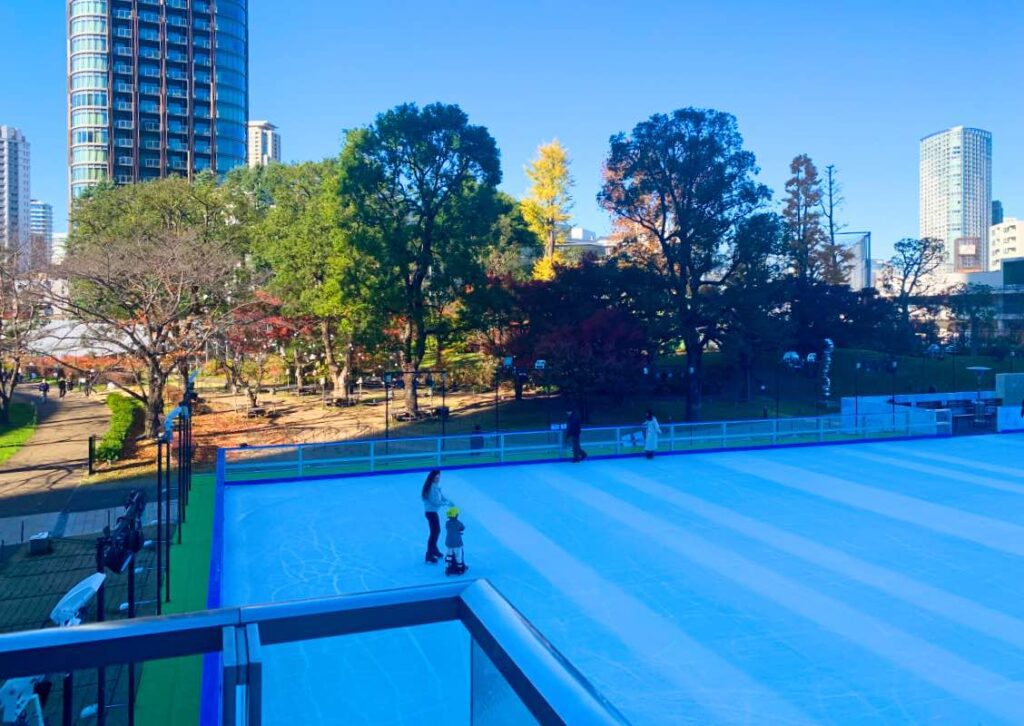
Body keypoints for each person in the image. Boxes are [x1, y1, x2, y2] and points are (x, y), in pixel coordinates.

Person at [421, 469, 452, 563]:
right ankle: (429, 554)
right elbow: (435, 502)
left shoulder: (435, 486)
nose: (438, 479)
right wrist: (445, 504)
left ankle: (434, 550)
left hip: (433, 512)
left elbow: (441, 497)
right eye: (436, 477)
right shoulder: (431, 488)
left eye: (439, 477)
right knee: (434, 532)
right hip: (431, 513)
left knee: (436, 531)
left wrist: (447, 501)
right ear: (433, 477)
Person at [444, 506, 468, 576]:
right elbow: (462, 528)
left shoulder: (447, 523)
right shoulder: (458, 523)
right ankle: (460, 568)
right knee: (459, 556)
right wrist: (459, 531)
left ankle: (449, 566)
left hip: (449, 543)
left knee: (449, 555)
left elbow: (449, 529)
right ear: (456, 515)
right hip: (457, 543)